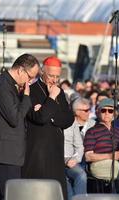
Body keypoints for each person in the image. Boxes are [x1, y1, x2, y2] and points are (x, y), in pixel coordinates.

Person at [0, 54, 40, 199]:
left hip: (10, 153)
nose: (30, 81)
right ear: (20, 70)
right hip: (5, 152)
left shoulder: (10, 84)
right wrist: (26, 97)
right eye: (30, 76)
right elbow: (15, 119)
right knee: (9, 195)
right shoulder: (3, 85)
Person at [22, 56, 74, 200]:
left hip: (55, 150)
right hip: (36, 150)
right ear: (42, 72)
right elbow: (39, 118)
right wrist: (51, 99)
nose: (54, 80)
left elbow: (68, 119)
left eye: (57, 76)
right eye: (51, 75)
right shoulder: (30, 90)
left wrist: (49, 112)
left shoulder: (59, 92)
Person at [84, 98, 119, 200]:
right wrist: (111, 156)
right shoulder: (91, 131)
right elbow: (88, 156)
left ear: (114, 114)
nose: (107, 113)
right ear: (97, 113)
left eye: (110, 111)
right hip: (99, 164)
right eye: (103, 110)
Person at [64, 97, 95, 200]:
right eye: (85, 110)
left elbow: (79, 146)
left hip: (81, 160)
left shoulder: (94, 125)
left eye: (89, 110)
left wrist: (75, 159)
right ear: (76, 112)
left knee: (80, 174)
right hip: (60, 160)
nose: (88, 113)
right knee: (65, 179)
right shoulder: (68, 122)